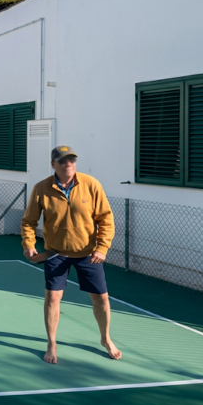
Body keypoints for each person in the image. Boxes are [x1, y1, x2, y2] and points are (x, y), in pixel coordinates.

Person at [21, 145, 121, 364]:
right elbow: (29, 221)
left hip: (89, 254)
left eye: (72, 161)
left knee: (101, 298)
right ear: (53, 164)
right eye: (63, 161)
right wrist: (29, 244)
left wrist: (102, 248)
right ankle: (52, 343)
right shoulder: (41, 188)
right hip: (55, 253)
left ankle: (105, 338)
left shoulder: (91, 184)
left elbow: (106, 218)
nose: (68, 165)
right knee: (53, 298)